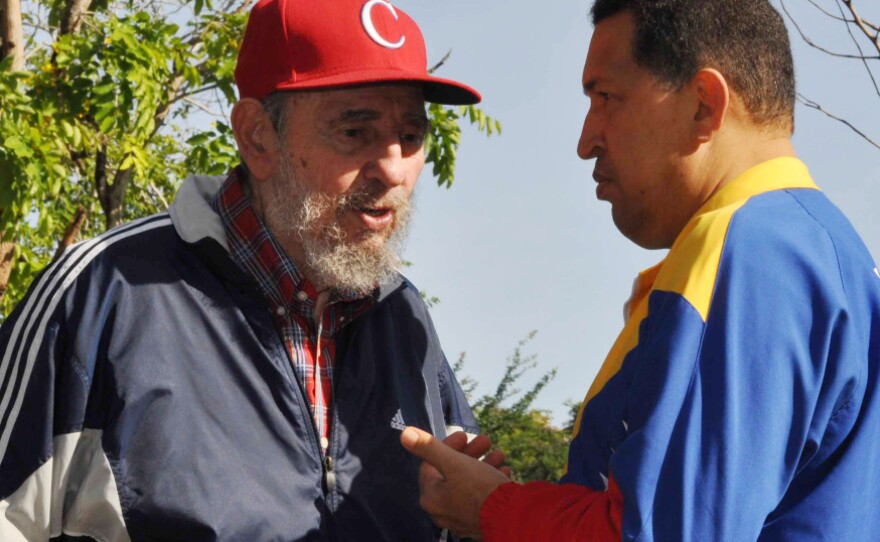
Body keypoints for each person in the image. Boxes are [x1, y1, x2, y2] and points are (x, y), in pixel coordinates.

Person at [0, 0, 482, 540]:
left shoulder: (405, 319)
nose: (394, 169)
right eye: (355, 132)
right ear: (257, 136)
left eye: (412, 137)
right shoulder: (101, 295)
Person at [401, 0, 880, 540]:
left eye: (606, 98)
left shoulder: (741, 256)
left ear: (703, 105)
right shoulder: (836, 252)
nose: (586, 141)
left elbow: (661, 531)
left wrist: (494, 508)